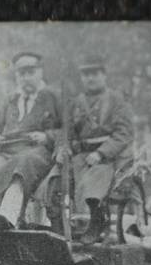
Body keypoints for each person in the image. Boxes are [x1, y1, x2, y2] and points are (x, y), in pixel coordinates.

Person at [54, 55, 134, 244]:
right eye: (86, 74)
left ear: (104, 75)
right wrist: (63, 147)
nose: (90, 78)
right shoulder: (76, 102)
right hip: (80, 155)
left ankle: (93, 222)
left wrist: (101, 153)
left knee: (93, 178)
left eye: (95, 74)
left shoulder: (117, 100)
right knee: (53, 177)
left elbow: (123, 134)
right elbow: (66, 131)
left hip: (108, 158)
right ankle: (58, 225)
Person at [0, 51, 62, 231]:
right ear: (16, 76)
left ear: (40, 72)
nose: (26, 78)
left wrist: (47, 136)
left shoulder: (53, 97)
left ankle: (9, 214)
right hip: (9, 150)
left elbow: (68, 130)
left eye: (30, 73)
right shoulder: (10, 100)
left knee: (24, 162)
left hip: (40, 154)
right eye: (21, 74)